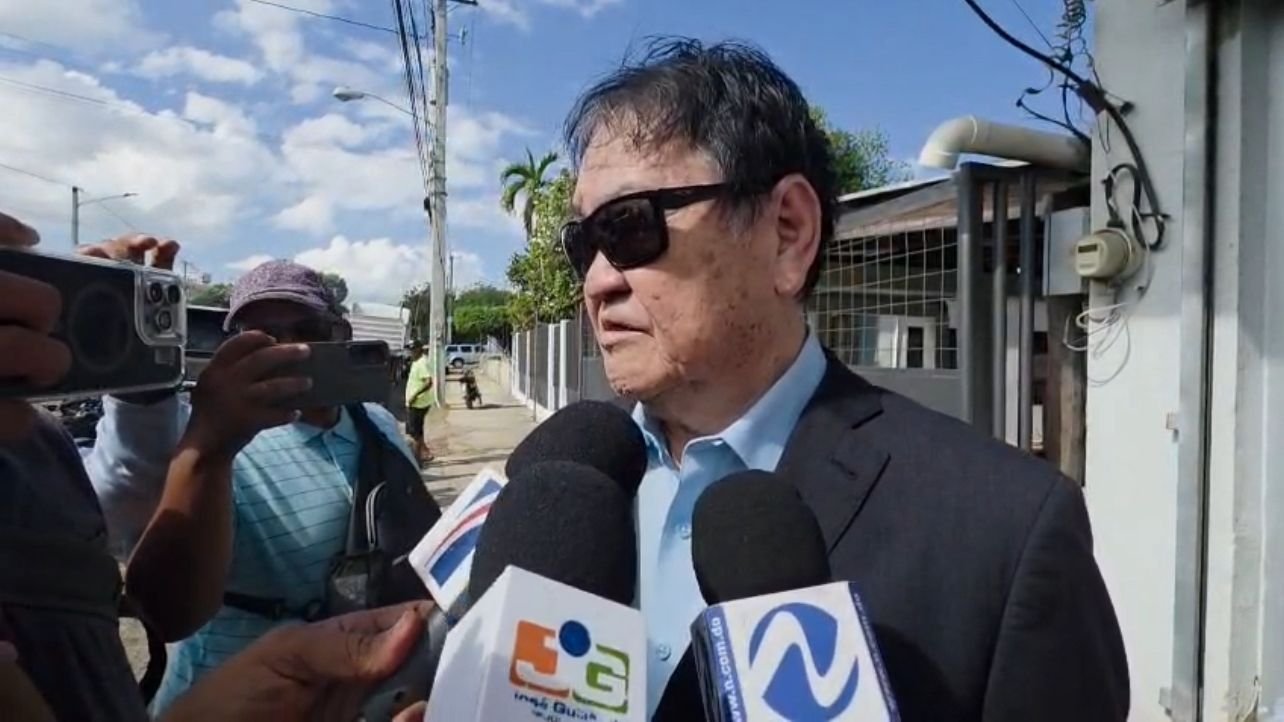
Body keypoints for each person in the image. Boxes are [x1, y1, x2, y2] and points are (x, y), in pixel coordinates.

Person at [562, 39, 1129, 721]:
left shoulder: (1004, 533)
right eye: (583, 243)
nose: (597, 281)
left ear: (787, 232)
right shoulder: (558, 496)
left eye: (628, 226)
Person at [0, 210, 427, 722]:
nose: (289, 347)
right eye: (259, 335)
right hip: (227, 697)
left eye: (308, 329)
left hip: (361, 691)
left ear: (341, 332)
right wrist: (210, 445)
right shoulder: (202, 432)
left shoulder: (378, 423)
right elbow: (163, 609)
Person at [403, 339, 435, 463]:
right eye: (409, 350)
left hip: (418, 404)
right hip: (417, 403)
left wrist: (414, 396)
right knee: (417, 431)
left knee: (414, 434)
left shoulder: (422, 362)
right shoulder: (416, 361)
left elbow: (428, 382)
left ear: (419, 349)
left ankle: (417, 461)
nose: (410, 352)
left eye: (412, 350)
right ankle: (425, 452)